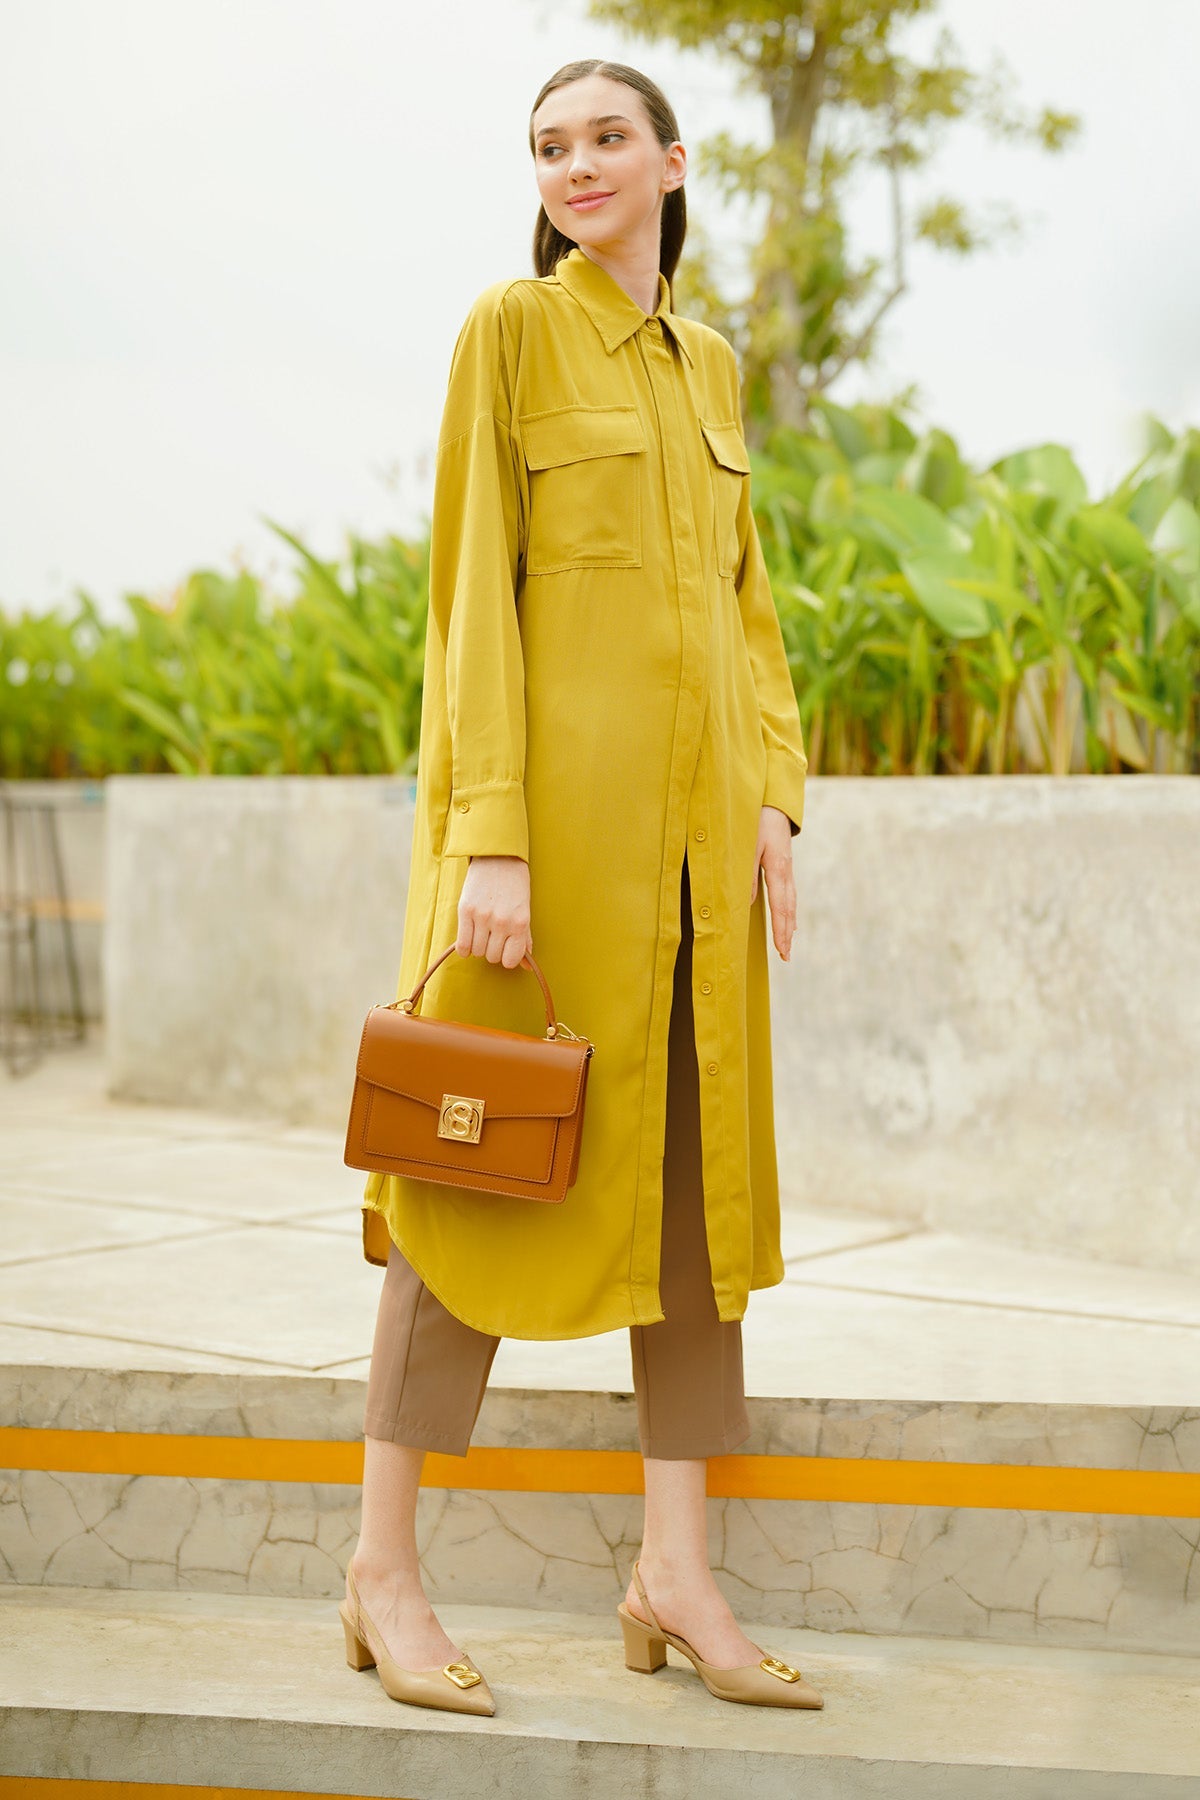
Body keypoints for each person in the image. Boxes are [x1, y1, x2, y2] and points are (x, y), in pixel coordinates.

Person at [339, 57, 820, 1717]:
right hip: (538, 866)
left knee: (693, 1210)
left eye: (608, 138)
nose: (577, 165)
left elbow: (747, 612)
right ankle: (380, 1570)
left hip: (694, 867)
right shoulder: (512, 332)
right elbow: (472, 597)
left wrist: (777, 799)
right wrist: (490, 834)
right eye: (550, 146)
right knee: (467, 1182)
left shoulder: (713, 367)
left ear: (673, 162)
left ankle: (674, 1573)